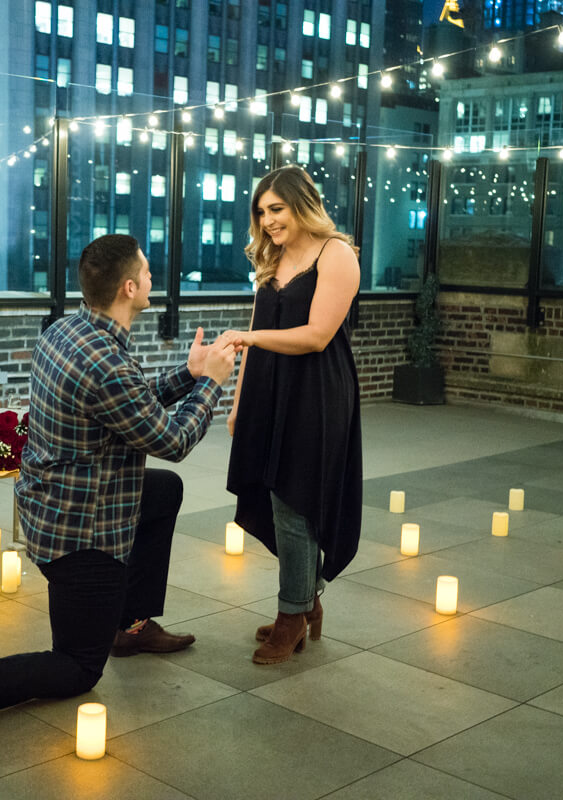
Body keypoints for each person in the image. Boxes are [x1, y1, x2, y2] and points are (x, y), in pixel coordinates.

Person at [0, 234, 239, 723]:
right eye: (146, 272)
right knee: (78, 669)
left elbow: (131, 405)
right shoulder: (106, 362)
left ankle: (132, 625)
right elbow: (172, 441)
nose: (151, 280)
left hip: (50, 506)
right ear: (127, 287)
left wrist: (188, 373)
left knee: (162, 492)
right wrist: (212, 384)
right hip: (83, 536)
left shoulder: (69, 330)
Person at [223, 165, 363, 665]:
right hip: (268, 390)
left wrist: (250, 339)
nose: (267, 222)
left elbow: (317, 335)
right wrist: (239, 404)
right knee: (274, 495)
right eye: (261, 213)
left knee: (295, 499)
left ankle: (293, 616)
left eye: (275, 210)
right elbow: (255, 332)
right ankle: (305, 602)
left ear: (303, 204)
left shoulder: (336, 254)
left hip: (316, 393)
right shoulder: (275, 257)